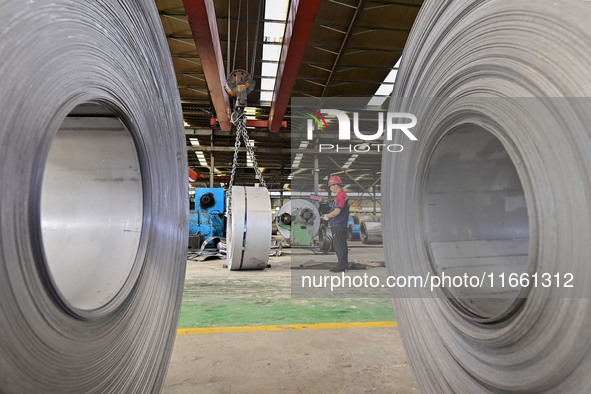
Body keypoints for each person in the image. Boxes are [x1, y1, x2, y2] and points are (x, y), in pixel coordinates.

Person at [322, 175, 350, 272]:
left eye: (331, 187)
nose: (330, 189)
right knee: (342, 246)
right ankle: (344, 265)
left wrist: (327, 216)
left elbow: (337, 211)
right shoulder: (342, 196)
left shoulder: (340, 197)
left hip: (338, 225)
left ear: (336, 186)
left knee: (338, 247)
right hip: (341, 224)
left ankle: (341, 267)